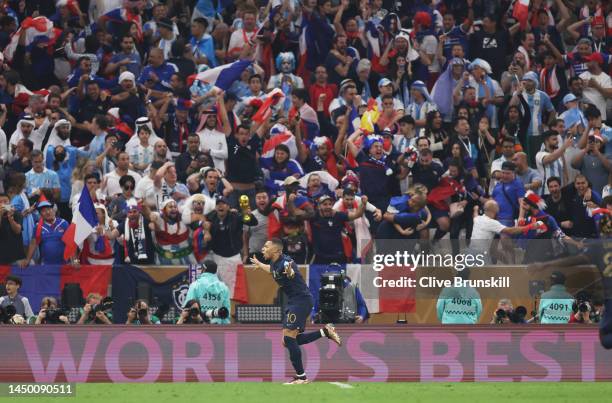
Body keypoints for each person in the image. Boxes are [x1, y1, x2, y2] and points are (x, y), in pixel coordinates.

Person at [250, 239, 343, 385]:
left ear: (275, 250)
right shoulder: (275, 262)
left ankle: (302, 377)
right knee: (288, 340)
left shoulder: (286, 262)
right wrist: (260, 265)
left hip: (301, 301)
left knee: (288, 338)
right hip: (294, 301)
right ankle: (325, 332)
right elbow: (272, 270)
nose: (262, 249)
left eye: (266, 247)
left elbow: (290, 271)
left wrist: (290, 272)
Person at [22, 199, 70, 266]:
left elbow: (71, 243)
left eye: (49, 209)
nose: (47, 212)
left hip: (64, 264)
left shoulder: (64, 223)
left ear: (53, 210)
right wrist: (27, 260)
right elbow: (33, 243)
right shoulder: (38, 227)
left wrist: (75, 260)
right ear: (40, 214)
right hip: (46, 265)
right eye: (43, 211)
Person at [0, 193, 23, 264]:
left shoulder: (16, 214)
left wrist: (10, 219)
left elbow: (18, 231)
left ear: (9, 202)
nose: (3, 204)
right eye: (0, 202)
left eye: (5, 201)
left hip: (16, 256)